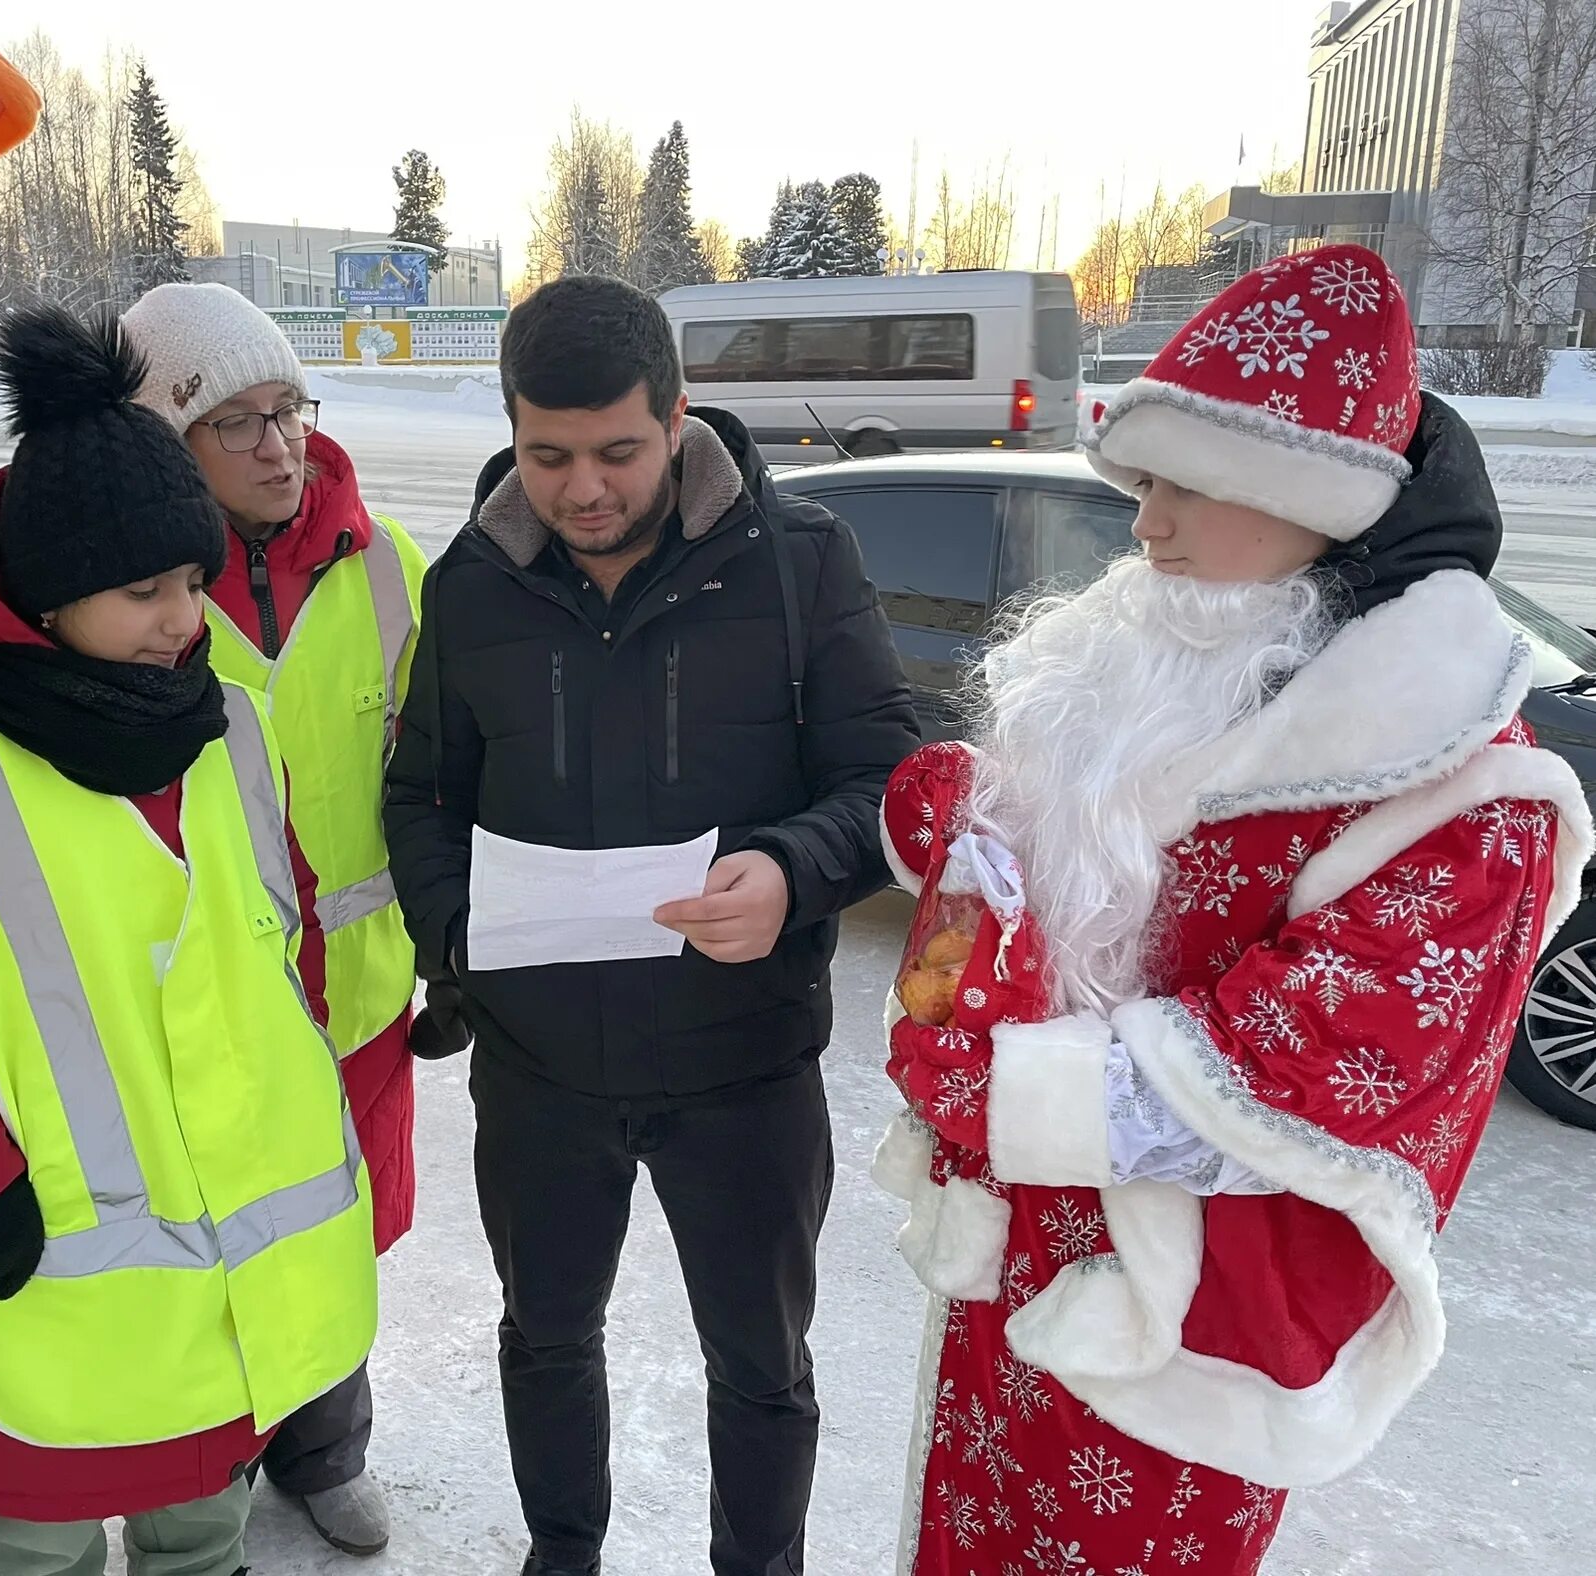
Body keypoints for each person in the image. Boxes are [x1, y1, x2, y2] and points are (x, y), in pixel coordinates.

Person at [874, 245, 1591, 1574]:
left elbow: (1331, 1069)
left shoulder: (1461, 783)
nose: (1147, 527)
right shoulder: (1184, 634)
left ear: (1317, 498)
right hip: (1017, 1274)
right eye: (1145, 482)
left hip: (1181, 1329)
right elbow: (1081, 827)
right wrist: (962, 824)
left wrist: (1007, 1091)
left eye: (1193, 488)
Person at [0, 306, 377, 1576]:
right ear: (45, 601)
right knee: (41, 1559)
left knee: (204, 1546)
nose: (181, 621)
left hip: (229, 1300)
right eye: (142, 592)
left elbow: (283, 938)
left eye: (194, 584)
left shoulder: (230, 731)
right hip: (47, 1289)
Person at [383, 274, 920, 1576]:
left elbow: (885, 779)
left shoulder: (799, 569)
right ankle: (562, 1552)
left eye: (618, 451)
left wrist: (795, 871)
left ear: (678, 417)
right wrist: (460, 932)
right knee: (546, 1334)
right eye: (546, 454)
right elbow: (421, 793)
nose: (582, 489)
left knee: (760, 1365)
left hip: (742, 1066)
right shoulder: (471, 589)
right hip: (541, 1070)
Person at [121, 282, 430, 1557]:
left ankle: (325, 1446)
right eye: (233, 421)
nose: (277, 444)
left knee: (342, 1230)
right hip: (207, 1011)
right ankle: (213, 1462)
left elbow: (442, 774)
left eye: (286, 409)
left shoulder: (390, 568)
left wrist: (452, 949)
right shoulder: (131, 595)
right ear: (164, 438)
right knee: (210, 1247)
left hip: (358, 993)